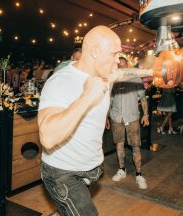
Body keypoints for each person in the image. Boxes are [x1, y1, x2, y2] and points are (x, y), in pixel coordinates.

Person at [38, 26, 152, 215]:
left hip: (91, 168)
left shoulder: (107, 74)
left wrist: (157, 71)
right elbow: (48, 137)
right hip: (63, 173)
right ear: (95, 52)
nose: (118, 60)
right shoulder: (61, 81)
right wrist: (86, 97)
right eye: (114, 54)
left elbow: (128, 73)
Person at [107, 57, 149, 189]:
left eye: (124, 65)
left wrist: (146, 114)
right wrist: (105, 116)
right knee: (119, 145)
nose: (122, 68)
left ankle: (139, 175)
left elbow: (142, 97)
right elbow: (109, 99)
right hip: (116, 117)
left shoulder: (136, 79)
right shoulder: (112, 80)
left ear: (128, 66)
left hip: (132, 117)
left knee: (136, 146)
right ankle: (122, 170)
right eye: (120, 66)